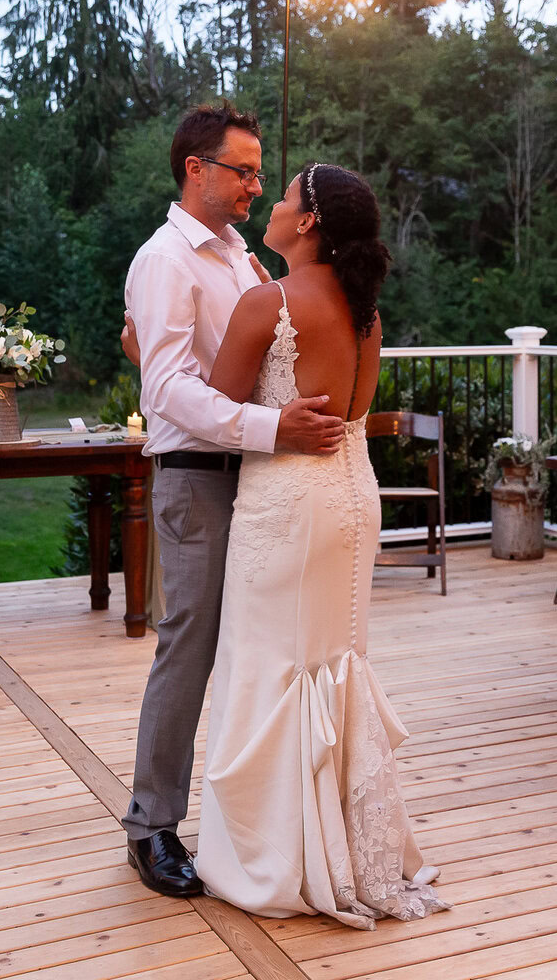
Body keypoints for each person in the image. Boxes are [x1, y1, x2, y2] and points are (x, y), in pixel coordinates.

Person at [191, 162, 450, 928]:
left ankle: (282, 856)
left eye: (282, 197)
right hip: (352, 496)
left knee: (268, 663)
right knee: (336, 662)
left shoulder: (266, 302)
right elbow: (356, 410)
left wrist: (147, 358)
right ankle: (344, 844)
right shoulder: (366, 313)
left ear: (306, 222)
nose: (268, 206)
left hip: (287, 502)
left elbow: (218, 407)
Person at [122, 102, 344, 899]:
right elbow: (169, 393)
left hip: (254, 482)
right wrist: (273, 427)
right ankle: (151, 827)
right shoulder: (165, 261)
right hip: (197, 478)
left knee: (255, 651)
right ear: (196, 169)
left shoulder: (241, 258)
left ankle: (249, 820)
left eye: (259, 173)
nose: (255, 183)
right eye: (243, 170)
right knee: (189, 648)